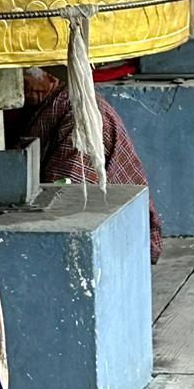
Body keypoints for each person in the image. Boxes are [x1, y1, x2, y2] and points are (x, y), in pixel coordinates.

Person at [17, 68, 163, 263]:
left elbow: (68, 192)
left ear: (47, 77)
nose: (20, 89)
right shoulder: (51, 102)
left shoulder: (77, 115)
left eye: (23, 79)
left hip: (116, 229)